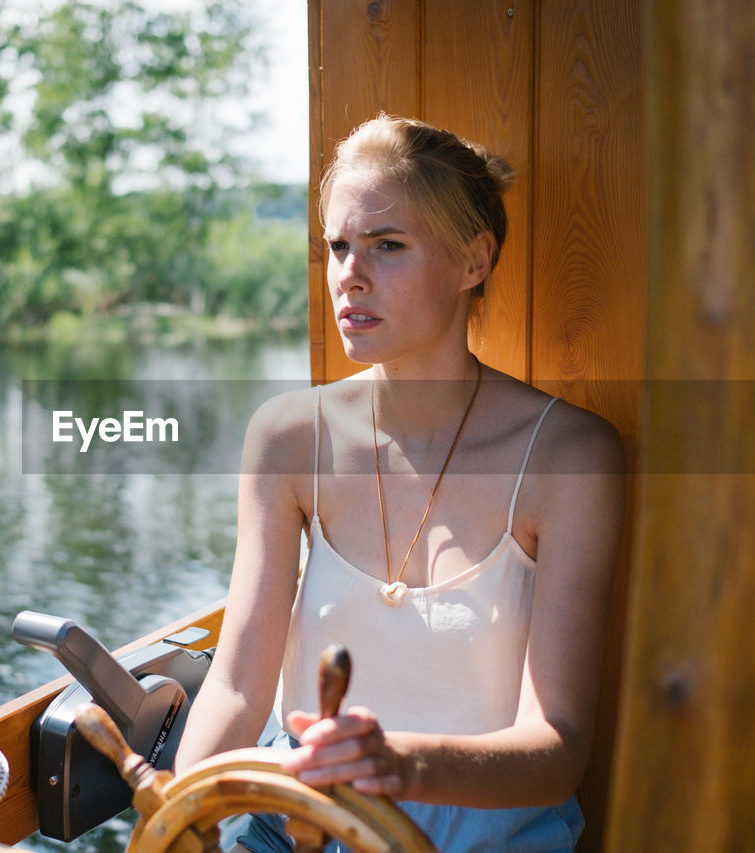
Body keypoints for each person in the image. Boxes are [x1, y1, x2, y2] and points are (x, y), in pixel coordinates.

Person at [173, 115, 625, 853]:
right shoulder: (287, 436)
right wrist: (184, 803)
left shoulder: (569, 455)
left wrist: (396, 764)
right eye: (339, 246)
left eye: (388, 246)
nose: (350, 273)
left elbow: (559, 745)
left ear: (472, 261)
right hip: (297, 826)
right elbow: (237, 687)